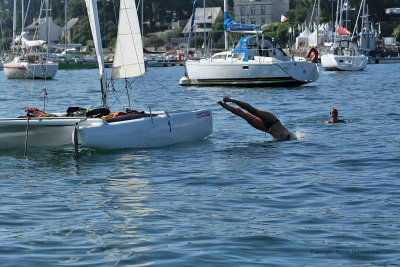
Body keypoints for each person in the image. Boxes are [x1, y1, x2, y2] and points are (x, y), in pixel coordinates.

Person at [217, 97, 296, 141]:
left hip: (266, 128)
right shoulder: (293, 138)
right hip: (273, 121)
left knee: (245, 116)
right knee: (253, 111)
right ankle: (232, 100)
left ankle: (225, 106)